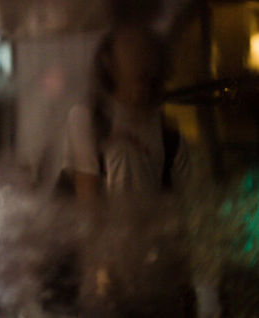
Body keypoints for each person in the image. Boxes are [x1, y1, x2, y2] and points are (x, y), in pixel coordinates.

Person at [50, 22, 201, 317]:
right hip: (108, 289)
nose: (142, 59)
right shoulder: (88, 120)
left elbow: (182, 222)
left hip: (158, 289)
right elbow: (89, 207)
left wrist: (186, 289)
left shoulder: (170, 137)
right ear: (110, 62)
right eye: (130, 48)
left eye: (147, 50)